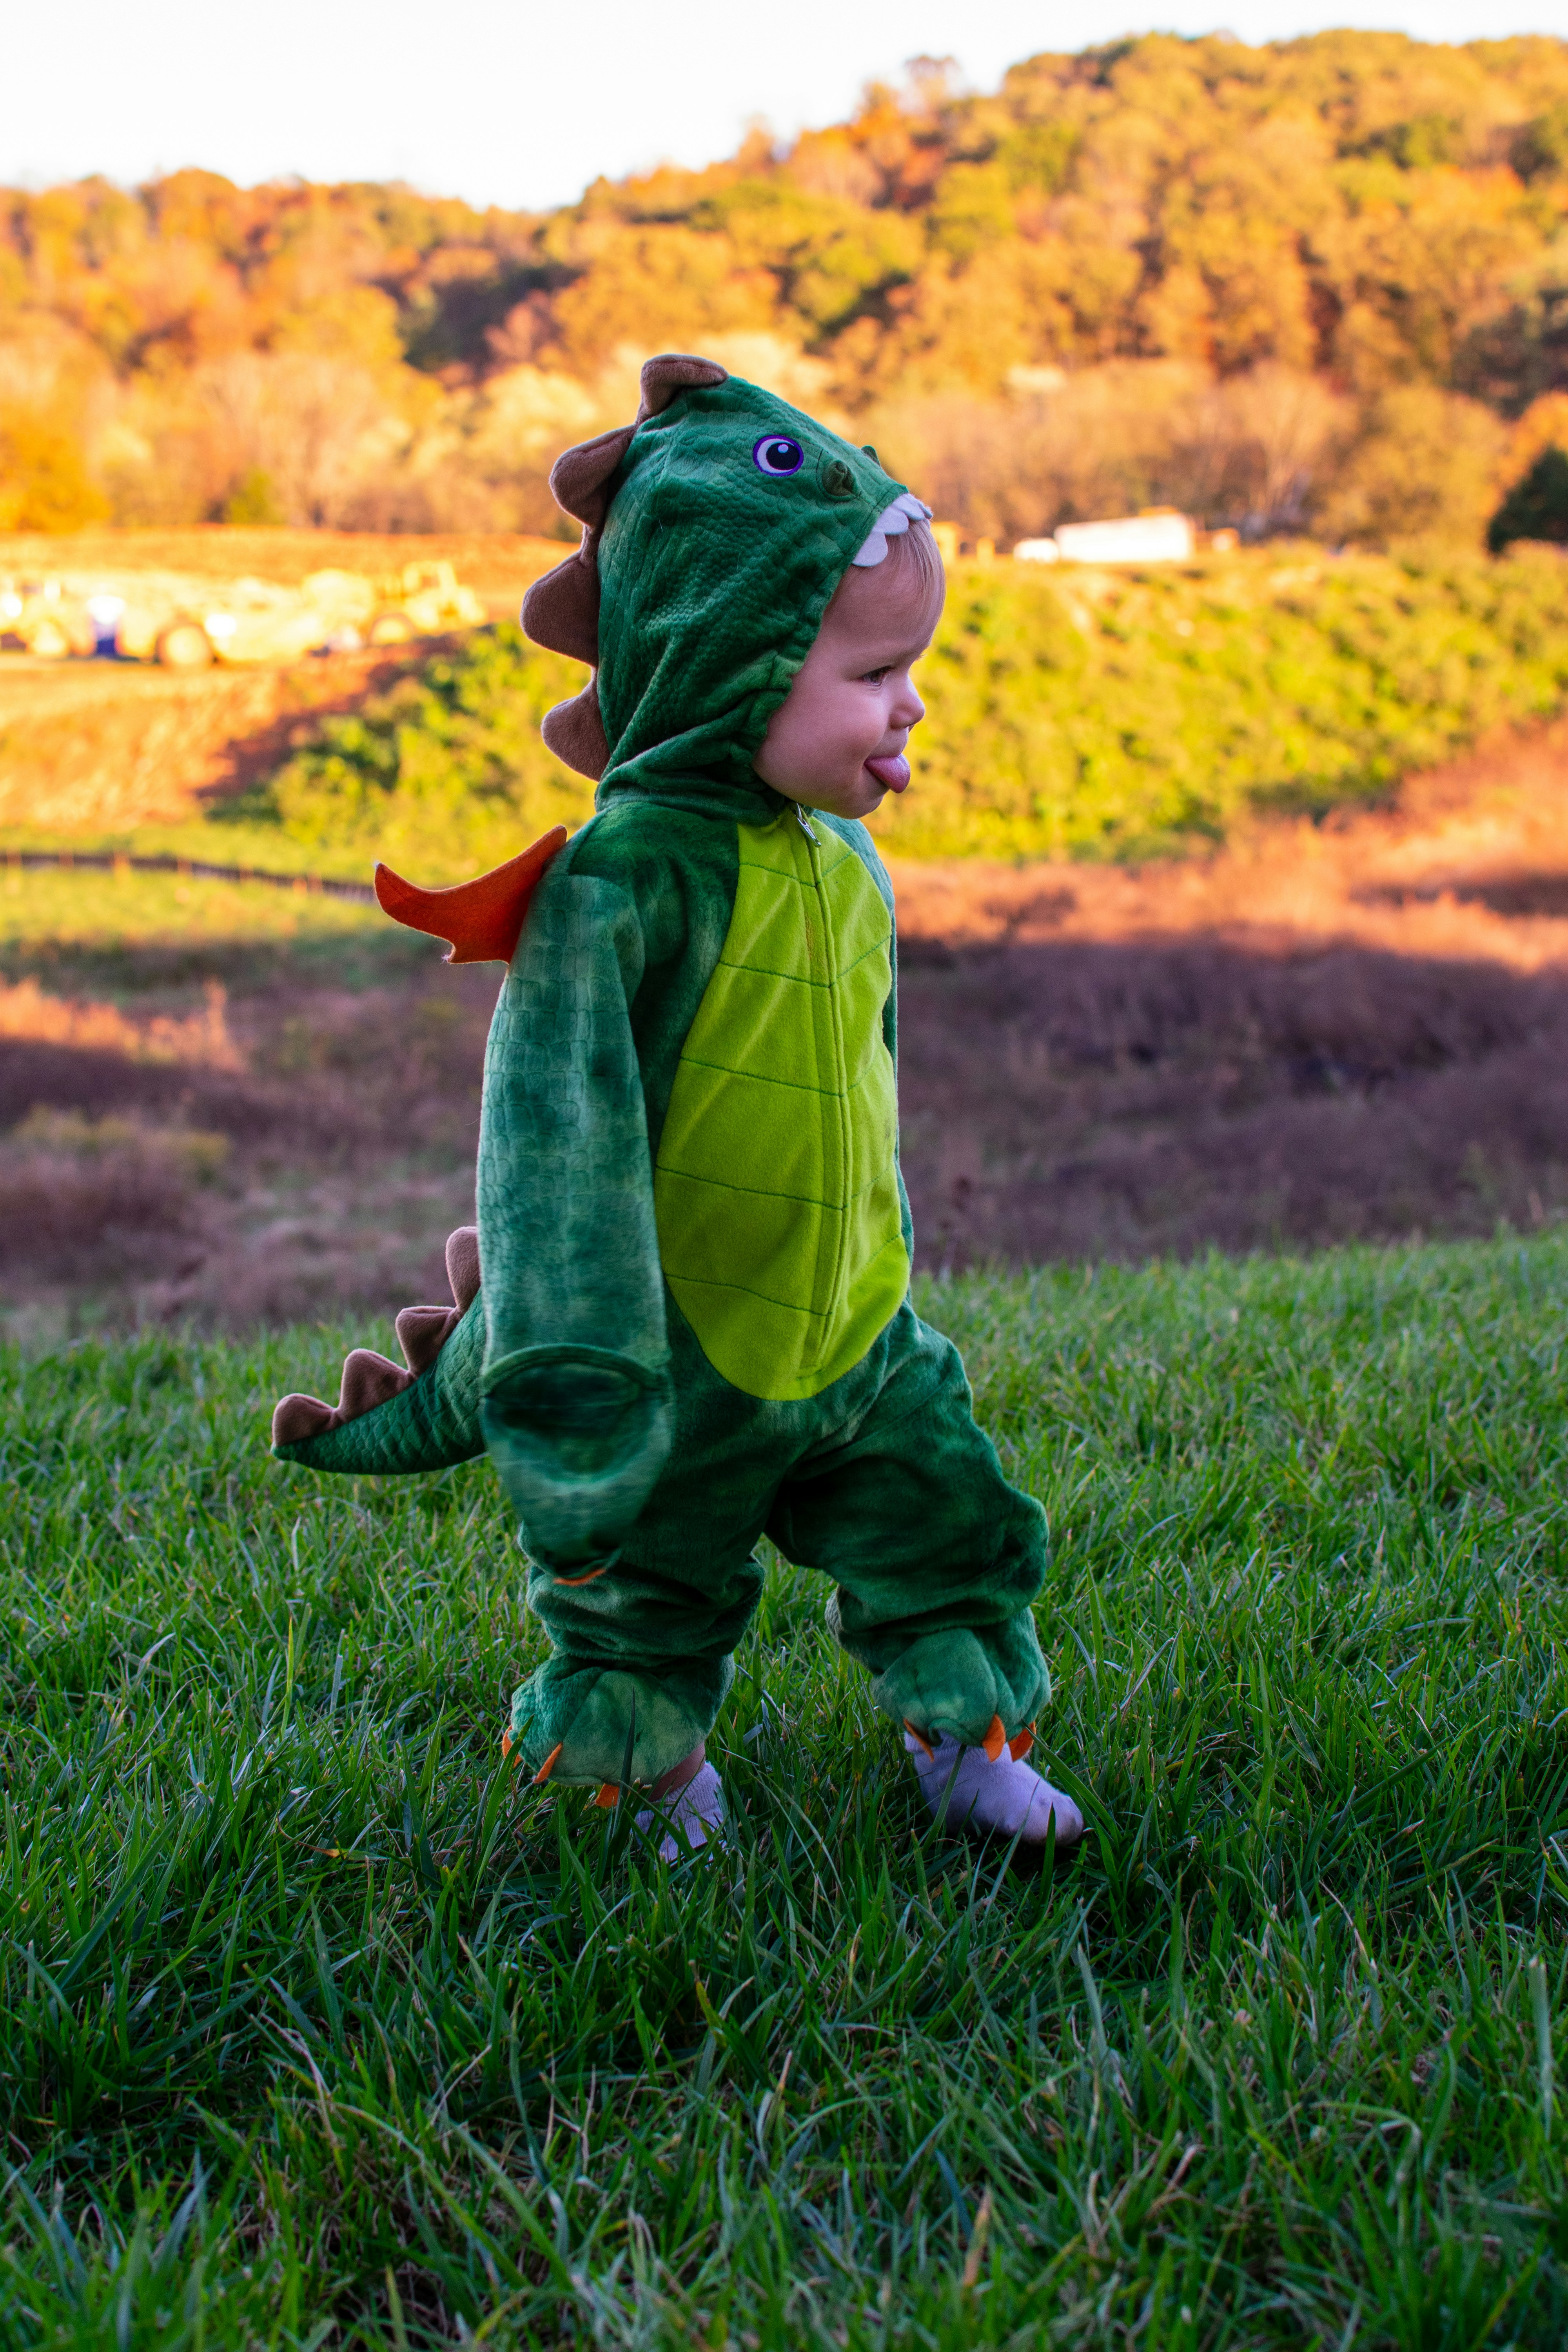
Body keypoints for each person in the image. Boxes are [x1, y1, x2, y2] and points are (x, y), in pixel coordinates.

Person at [270, 354, 1085, 1861]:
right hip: (671, 1355)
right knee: (647, 1600)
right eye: (870, 676)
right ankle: (639, 1775)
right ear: (731, 658)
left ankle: (965, 1735)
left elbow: (860, 1093)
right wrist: (580, 1381)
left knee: (949, 1532)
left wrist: (883, 1276)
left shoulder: (850, 865)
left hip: (853, 1334)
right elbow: (551, 1154)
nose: (910, 708)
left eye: (913, 669)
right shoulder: (621, 884)